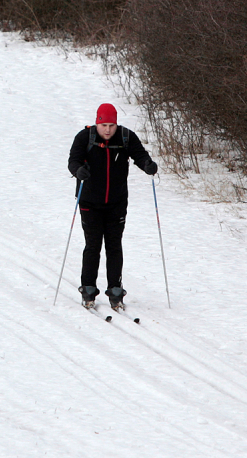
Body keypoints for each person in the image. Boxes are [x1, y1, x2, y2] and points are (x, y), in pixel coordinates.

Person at [66, 103, 158, 310]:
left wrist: (148, 166)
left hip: (116, 203)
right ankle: (88, 288)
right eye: (104, 125)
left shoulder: (125, 137)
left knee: (114, 245)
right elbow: (73, 161)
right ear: (97, 123)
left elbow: (140, 156)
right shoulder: (84, 137)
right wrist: (79, 170)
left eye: (111, 125)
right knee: (93, 245)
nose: (108, 130)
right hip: (89, 202)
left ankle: (115, 290)